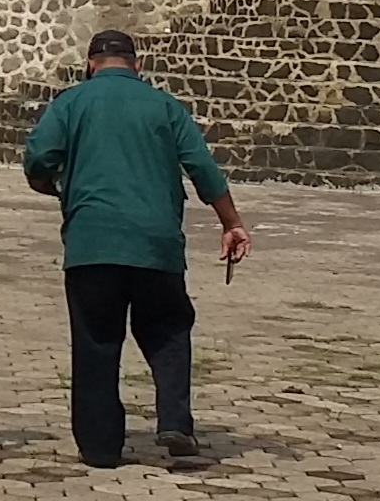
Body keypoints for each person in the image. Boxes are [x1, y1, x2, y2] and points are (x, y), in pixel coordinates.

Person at [21, 30, 252, 469]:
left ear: (90, 64)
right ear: (137, 66)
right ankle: (175, 422)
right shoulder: (164, 106)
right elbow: (203, 168)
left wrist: (58, 189)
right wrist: (232, 223)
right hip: (156, 245)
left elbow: (37, 160)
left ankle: (101, 447)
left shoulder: (71, 103)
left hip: (92, 245)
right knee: (168, 330)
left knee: (96, 342)